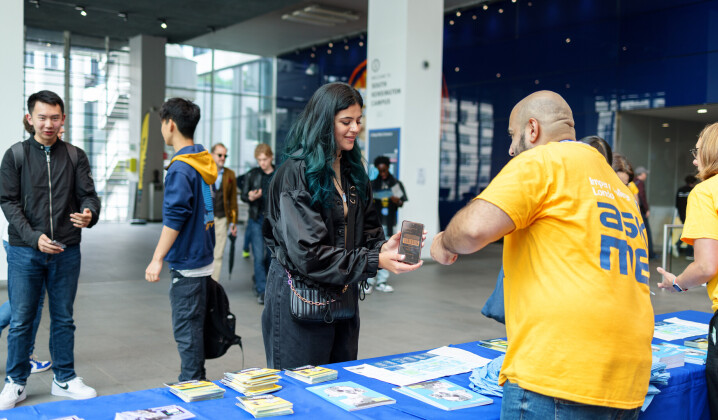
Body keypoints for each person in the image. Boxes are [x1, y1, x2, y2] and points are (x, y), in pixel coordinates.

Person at [431, 90, 653, 419]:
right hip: (627, 379)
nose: (511, 148)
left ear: (532, 129)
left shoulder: (542, 161)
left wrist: (444, 243)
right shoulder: (617, 187)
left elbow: (473, 230)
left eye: (512, 135)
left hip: (558, 372)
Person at [262, 82, 423, 369]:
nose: (355, 128)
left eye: (359, 120)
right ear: (324, 122)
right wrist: (374, 260)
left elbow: (368, 232)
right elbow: (309, 254)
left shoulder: (354, 172)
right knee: (300, 389)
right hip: (300, 303)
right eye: (346, 121)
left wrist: (384, 248)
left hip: (343, 301)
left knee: (341, 383)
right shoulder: (295, 173)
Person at [0, 90, 101, 409]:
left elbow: (89, 195)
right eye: (42, 117)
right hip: (24, 251)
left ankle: (64, 379)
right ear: (30, 118)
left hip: (66, 250)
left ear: (63, 119)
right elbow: (8, 202)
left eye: (54, 118)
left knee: (63, 318)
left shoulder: (74, 155)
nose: (48, 124)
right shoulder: (15, 155)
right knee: (21, 320)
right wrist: (34, 238)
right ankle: (15, 382)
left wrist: (89, 213)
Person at [144, 98, 217, 381]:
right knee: (195, 328)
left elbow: (175, 218)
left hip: (187, 263)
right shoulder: (202, 160)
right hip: (203, 258)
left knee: (187, 331)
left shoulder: (180, 168)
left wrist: (157, 258)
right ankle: (196, 380)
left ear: (170, 124)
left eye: (162, 124)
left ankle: (192, 383)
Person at [656, 123, 718, 417]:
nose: (694, 161)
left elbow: (706, 265)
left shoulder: (706, 193)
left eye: (698, 151)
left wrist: (677, 282)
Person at [364, 155, 408, 294]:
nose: (382, 173)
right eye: (380, 170)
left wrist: (397, 200)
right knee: (372, 250)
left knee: (387, 251)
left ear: (388, 168)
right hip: (374, 224)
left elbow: (401, 202)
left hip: (388, 223)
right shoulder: (373, 184)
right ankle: (369, 282)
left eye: (384, 170)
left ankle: (382, 282)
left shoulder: (394, 184)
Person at [240, 144, 275, 305]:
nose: (262, 163)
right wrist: (250, 197)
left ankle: (260, 279)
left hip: (273, 221)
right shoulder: (252, 174)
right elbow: (244, 195)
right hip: (256, 219)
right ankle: (262, 290)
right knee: (258, 256)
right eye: (259, 160)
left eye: (265, 159)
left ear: (271, 157)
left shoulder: (278, 174)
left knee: (271, 256)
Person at [210, 143, 238, 281]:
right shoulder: (204, 171)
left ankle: (212, 285)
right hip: (204, 220)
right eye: (220, 155)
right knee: (203, 253)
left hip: (222, 219)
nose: (222, 158)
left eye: (225, 156)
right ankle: (202, 284)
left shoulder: (230, 174)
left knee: (218, 254)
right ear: (212, 155)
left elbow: (233, 200)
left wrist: (233, 222)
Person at [635, 166, 657, 259]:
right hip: (641, 211)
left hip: (634, 211)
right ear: (642, 174)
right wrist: (646, 209)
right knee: (646, 232)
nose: (646, 175)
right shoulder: (639, 183)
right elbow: (642, 197)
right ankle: (650, 254)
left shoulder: (633, 182)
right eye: (645, 174)